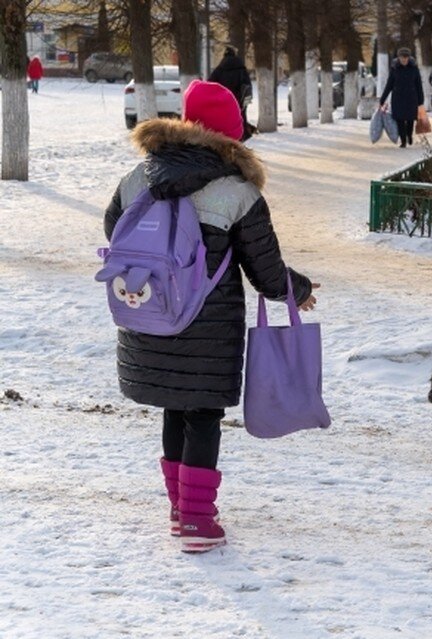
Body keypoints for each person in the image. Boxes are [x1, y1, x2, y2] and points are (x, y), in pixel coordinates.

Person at [102, 80, 317, 553]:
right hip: (207, 325)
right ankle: (197, 521)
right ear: (229, 133)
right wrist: (296, 290)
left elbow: (114, 230)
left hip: (150, 309)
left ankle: (182, 508)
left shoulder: (139, 175)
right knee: (202, 412)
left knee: (175, 406)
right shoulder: (237, 191)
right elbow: (264, 267)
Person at [379, 47, 424, 148]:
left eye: (406, 57)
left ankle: (409, 135)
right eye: (402, 57)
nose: (404, 59)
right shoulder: (394, 68)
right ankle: (403, 140)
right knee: (399, 120)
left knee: (410, 119)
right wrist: (382, 99)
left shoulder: (414, 68)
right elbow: (389, 85)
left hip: (411, 98)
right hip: (398, 98)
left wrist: (421, 101)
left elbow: (418, 85)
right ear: (398, 57)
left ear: (409, 58)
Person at [208, 47, 254, 140]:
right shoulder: (241, 68)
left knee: (226, 117)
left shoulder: (220, 68)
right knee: (241, 116)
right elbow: (247, 84)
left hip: (224, 98)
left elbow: (210, 83)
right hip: (238, 98)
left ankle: (227, 135)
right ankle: (242, 134)